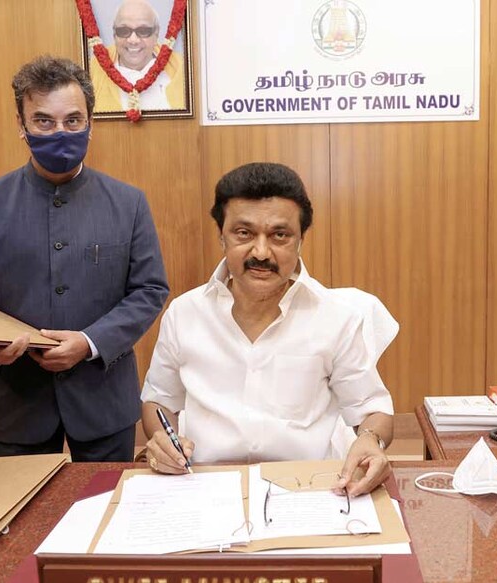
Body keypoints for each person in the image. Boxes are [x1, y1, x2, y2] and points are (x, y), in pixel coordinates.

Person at [0, 56, 169, 461]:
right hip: (17, 404)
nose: (60, 132)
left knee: (106, 512)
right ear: (21, 125)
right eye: (43, 121)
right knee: (22, 523)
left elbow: (149, 289)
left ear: (90, 123)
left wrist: (89, 342)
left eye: (72, 120)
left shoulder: (128, 202)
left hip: (103, 402)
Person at [140, 162, 395, 496]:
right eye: (244, 233)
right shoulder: (184, 313)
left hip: (307, 489)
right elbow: (159, 401)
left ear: (301, 239)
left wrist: (370, 440)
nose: (261, 252)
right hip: (204, 486)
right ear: (222, 236)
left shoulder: (337, 317)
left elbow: (373, 410)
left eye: (280, 235)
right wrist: (162, 440)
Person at [90, 0, 186, 112]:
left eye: (143, 31)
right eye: (124, 30)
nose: (133, 40)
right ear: (114, 34)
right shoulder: (93, 70)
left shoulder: (181, 68)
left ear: (156, 33)